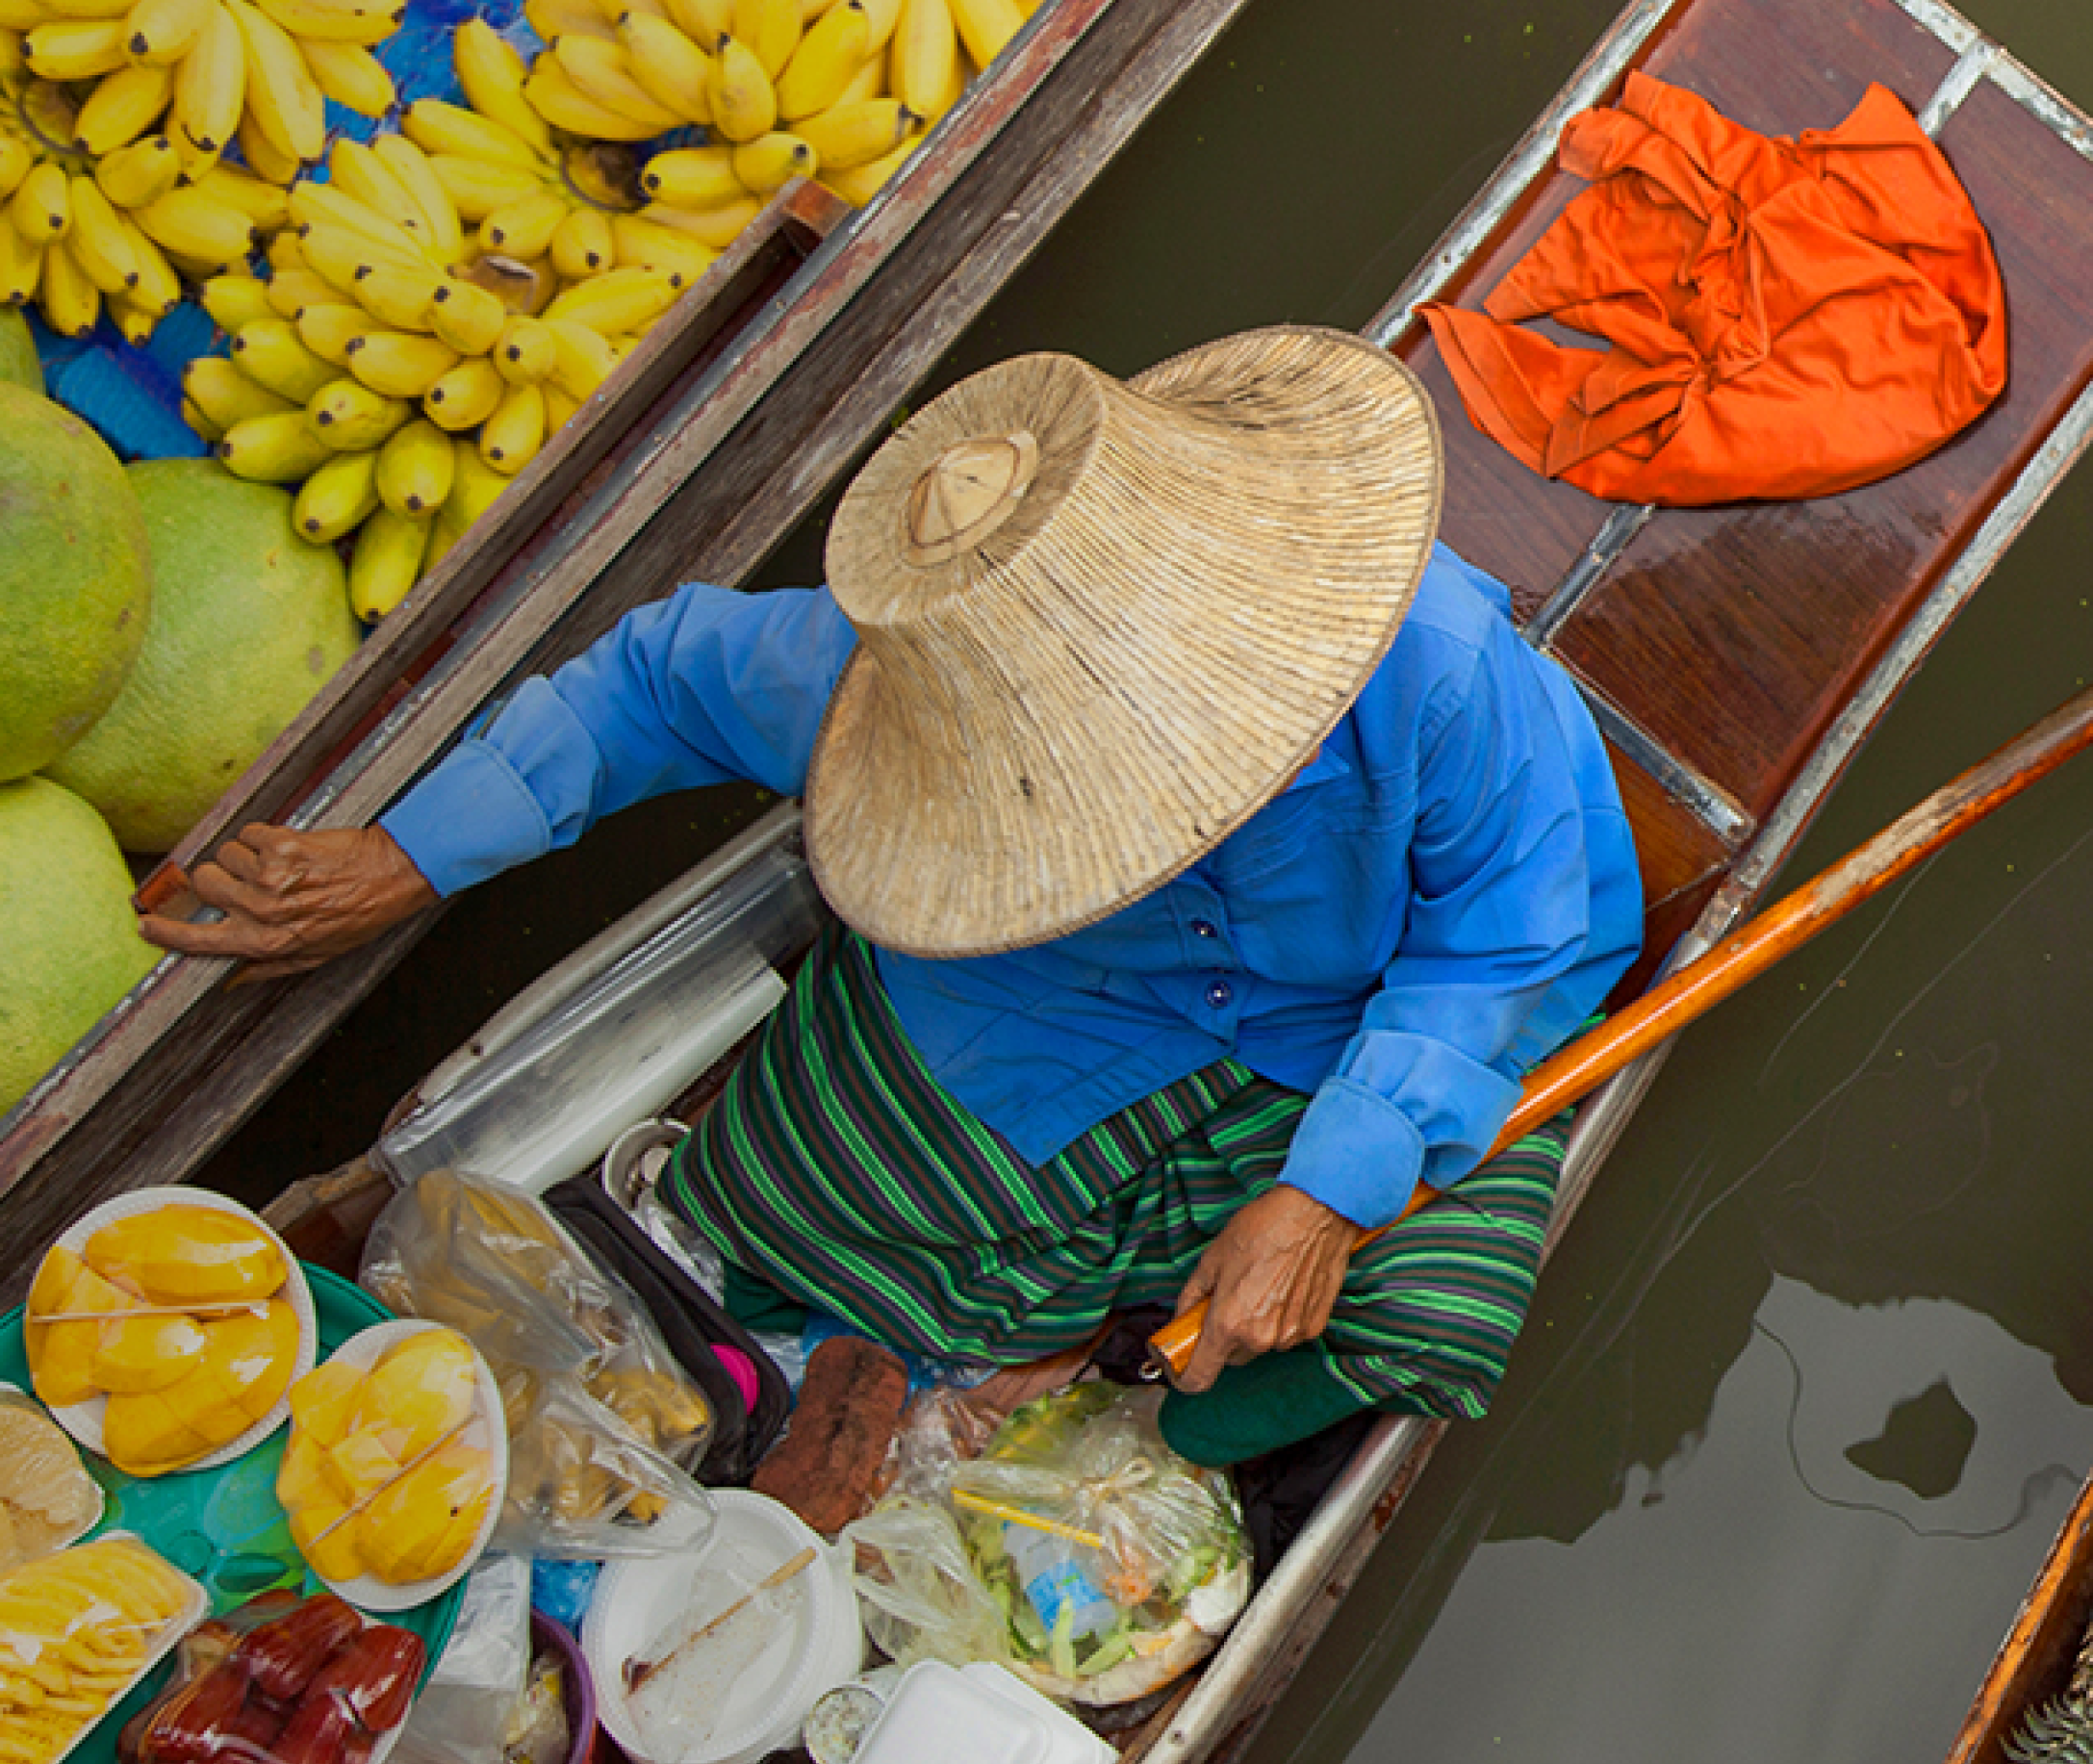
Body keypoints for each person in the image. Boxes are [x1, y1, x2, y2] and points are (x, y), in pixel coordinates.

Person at [143, 328, 1653, 1465]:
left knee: (1436, 1297)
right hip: (1053, 996)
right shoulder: (896, 688)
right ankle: (1029, 1344)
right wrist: (408, 856)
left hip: (1364, 1020)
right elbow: (655, 681)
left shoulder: (1440, 675)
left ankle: (1130, 1394)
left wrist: (1326, 1189)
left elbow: (1503, 941)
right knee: (788, 1206)